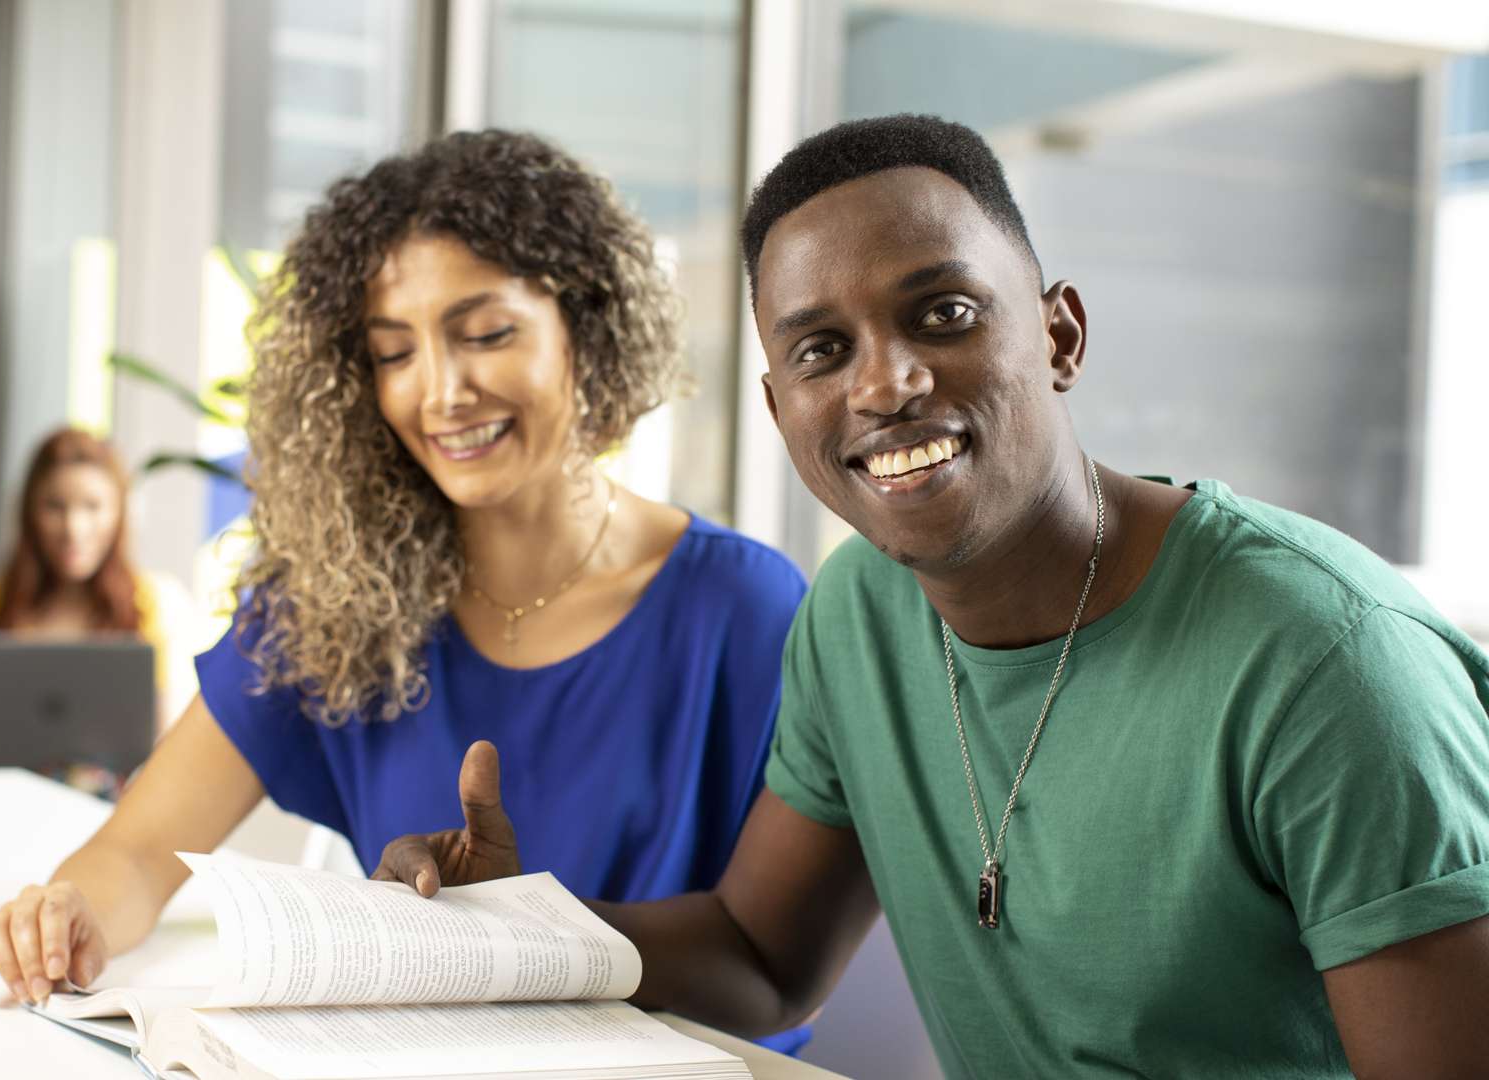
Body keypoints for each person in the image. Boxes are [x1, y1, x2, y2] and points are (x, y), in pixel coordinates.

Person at [373, 115, 1489, 1077]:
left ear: (1059, 336)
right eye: (821, 350)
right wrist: (516, 934)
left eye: (943, 314)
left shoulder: (1327, 664)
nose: (885, 382)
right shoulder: (857, 612)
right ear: (779, 409)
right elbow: (763, 959)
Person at [0, 131, 811, 1051]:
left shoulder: (744, 610)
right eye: (394, 353)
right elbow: (133, 853)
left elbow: (770, 970)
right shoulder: (332, 602)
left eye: (486, 334)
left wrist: (533, 946)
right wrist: (66, 913)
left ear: (585, 327)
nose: (440, 392)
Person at [0, 427, 206, 753]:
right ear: (31, 512)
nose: (73, 528)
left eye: (92, 506)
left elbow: (172, 738)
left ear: (119, 513)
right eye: (55, 507)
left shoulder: (157, 603)